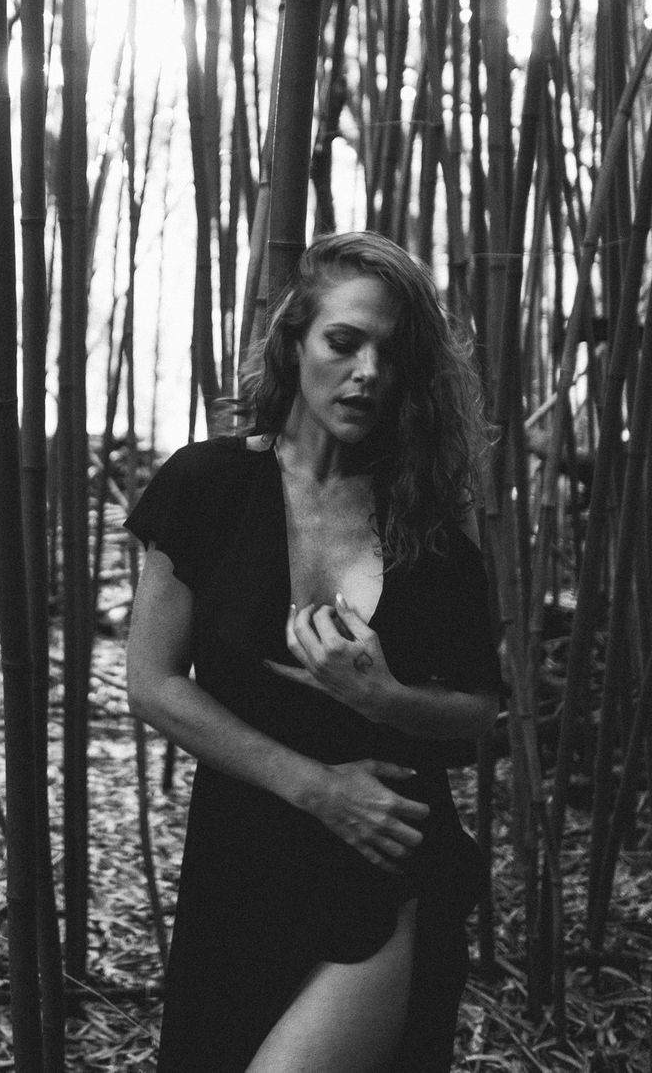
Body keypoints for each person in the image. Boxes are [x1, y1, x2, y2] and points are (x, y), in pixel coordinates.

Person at [125, 231, 503, 1073]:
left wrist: (382, 696)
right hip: (241, 856)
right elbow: (152, 684)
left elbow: (479, 708)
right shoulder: (207, 486)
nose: (368, 371)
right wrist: (317, 787)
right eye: (344, 341)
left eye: (391, 354)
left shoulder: (427, 519)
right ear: (294, 340)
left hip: (383, 860)